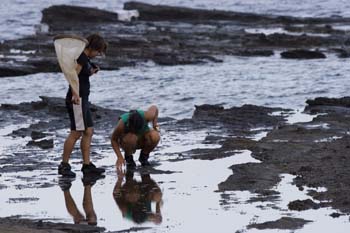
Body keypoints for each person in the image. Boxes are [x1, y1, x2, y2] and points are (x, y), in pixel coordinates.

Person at [58, 34, 107, 177]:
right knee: (76, 132)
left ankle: (87, 165)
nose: (98, 55)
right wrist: (75, 95)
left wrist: (91, 72)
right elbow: (73, 76)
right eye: (98, 51)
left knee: (88, 131)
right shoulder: (80, 57)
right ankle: (64, 165)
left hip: (83, 99)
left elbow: (81, 76)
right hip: (77, 99)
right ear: (92, 48)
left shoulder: (86, 60)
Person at [111, 105, 160, 170]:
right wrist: (119, 157)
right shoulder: (122, 124)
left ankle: (144, 157)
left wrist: (155, 124)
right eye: (134, 129)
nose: (136, 131)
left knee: (155, 136)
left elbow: (155, 108)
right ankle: (129, 158)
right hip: (128, 142)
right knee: (131, 138)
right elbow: (113, 139)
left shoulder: (148, 115)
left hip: (142, 138)